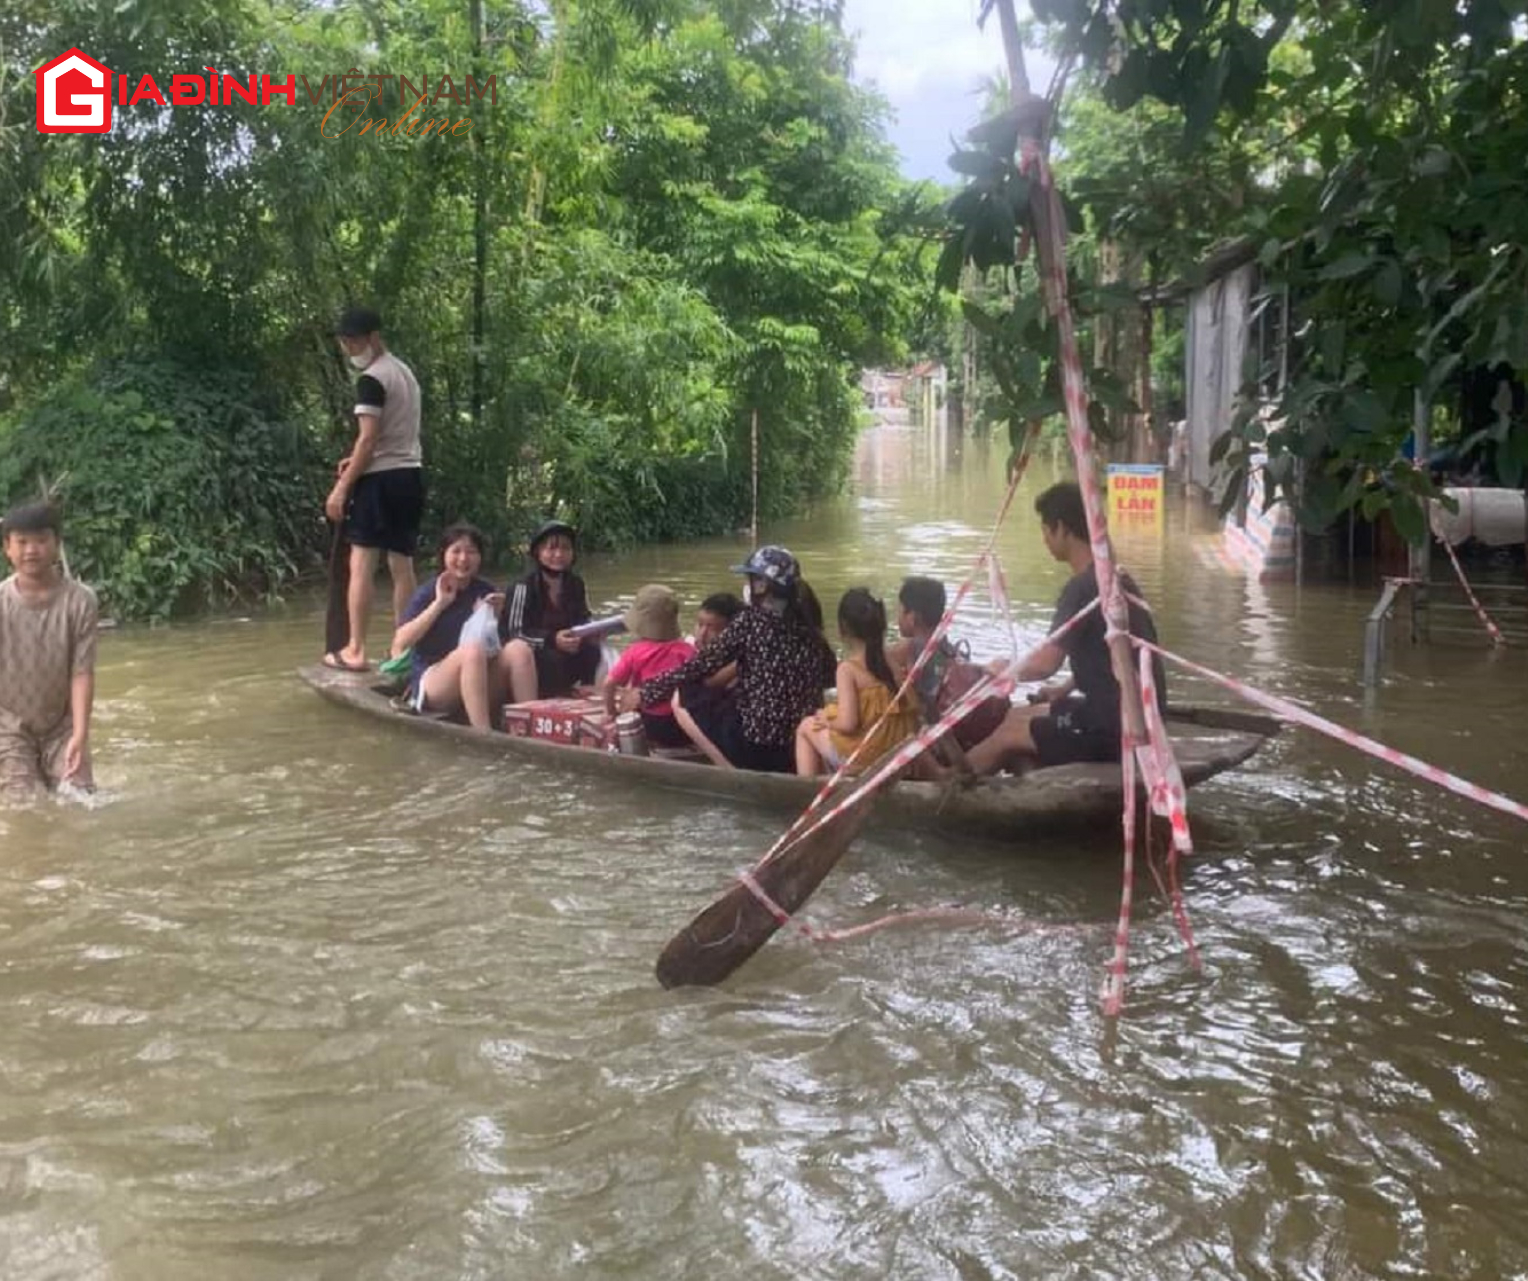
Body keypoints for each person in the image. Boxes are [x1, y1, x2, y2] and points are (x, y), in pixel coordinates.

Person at [963, 481, 1167, 775]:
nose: (1044, 539)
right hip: (1135, 714)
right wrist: (1065, 687)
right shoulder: (1118, 578)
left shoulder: (1082, 588)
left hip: (1114, 728)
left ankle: (946, 789)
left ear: (1062, 529)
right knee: (1017, 717)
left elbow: (1045, 664)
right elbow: (1114, 651)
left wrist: (1002, 668)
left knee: (1006, 737)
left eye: (1045, 529)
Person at [630, 546, 835, 774]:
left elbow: (699, 666)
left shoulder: (750, 621)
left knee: (684, 694)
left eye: (750, 579)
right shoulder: (809, 626)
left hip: (756, 749)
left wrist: (646, 691)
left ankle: (734, 773)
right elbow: (828, 675)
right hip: (797, 747)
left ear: (761, 585)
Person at [324, 305, 425, 672]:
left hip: (380, 480)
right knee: (402, 564)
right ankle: (403, 648)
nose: (350, 348)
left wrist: (341, 489)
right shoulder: (404, 373)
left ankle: (355, 649)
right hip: (409, 475)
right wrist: (357, 460)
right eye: (346, 341)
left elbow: (368, 441)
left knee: (361, 562)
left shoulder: (372, 378)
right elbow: (393, 435)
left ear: (373, 337)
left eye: (354, 340)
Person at [0, 503, 99, 799]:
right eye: (22, 542)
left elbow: (81, 672)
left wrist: (80, 734)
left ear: (57, 544)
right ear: (7, 548)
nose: (32, 550)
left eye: (41, 540)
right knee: (23, 809)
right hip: (7, 724)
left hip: (62, 723)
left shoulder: (81, 601)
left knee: (82, 800)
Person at [391, 523, 533, 728]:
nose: (463, 559)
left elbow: (497, 648)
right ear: (443, 555)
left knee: (520, 649)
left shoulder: (486, 590)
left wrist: (499, 616)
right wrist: (440, 604)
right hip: (436, 683)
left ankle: (531, 726)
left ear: (480, 557)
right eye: (456, 551)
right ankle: (482, 734)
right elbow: (400, 643)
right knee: (472, 651)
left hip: (479, 679)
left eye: (471, 552)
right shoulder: (429, 591)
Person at [795, 588, 920, 776]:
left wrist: (827, 721)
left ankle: (807, 792)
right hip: (893, 753)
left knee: (806, 726)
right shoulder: (890, 660)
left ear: (843, 628)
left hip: (862, 760)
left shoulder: (847, 669)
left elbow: (848, 724)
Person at [500, 520, 600, 698]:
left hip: (566, 654)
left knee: (592, 646)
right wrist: (552, 640)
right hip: (533, 659)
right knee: (550, 658)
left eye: (565, 548)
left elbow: (583, 619)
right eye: (551, 549)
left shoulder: (575, 584)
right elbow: (514, 633)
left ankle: (587, 688)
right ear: (538, 552)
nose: (559, 554)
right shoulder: (522, 586)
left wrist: (591, 631)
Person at [602, 584, 695, 748]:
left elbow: (609, 683)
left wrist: (611, 712)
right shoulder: (688, 651)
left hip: (651, 724)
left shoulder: (635, 651)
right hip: (683, 725)